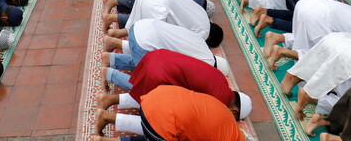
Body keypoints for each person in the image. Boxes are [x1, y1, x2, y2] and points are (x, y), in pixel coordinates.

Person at [95, 49, 252, 137]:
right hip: (162, 80)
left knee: (147, 97)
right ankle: (109, 113)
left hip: (158, 57)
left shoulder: (220, 80)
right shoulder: (221, 101)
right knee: (159, 121)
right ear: (234, 111)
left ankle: (108, 99)